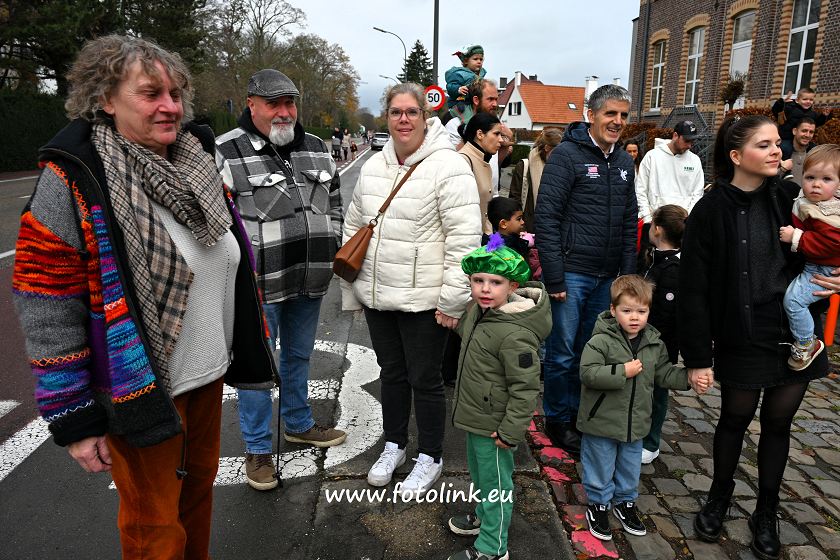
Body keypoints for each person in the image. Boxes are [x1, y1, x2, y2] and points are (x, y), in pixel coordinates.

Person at [11, 35, 277, 558]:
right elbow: (46, 304)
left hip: (207, 375)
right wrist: (74, 416)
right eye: (151, 93)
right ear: (105, 99)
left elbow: (229, 260)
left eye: (175, 93)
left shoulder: (197, 162)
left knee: (196, 502)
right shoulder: (74, 177)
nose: (170, 106)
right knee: (154, 527)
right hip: (141, 389)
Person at [681, 115, 831, 560]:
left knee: (779, 424)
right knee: (734, 418)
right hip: (742, 332)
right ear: (736, 155)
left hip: (793, 331)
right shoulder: (710, 210)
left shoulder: (791, 196)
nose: (776, 151)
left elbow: (831, 236)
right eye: (763, 145)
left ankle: (766, 511)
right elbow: (693, 288)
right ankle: (719, 496)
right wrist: (698, 356)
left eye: (776, 144)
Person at [341, 82, 482, 497]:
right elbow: (354, 227)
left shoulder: (448, 166)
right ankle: (395, 444)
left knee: (426, 379)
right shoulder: (374, 166)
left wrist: (452, 302)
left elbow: (464, 240)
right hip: (380, 297)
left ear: (425, 116)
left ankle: (431, 456)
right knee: (392, 374)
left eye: (411, 112)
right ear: (386, 117)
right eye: (396, 112)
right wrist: (354, 291)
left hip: (425, 300)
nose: (403, 119)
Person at [216, 69, 347, 492]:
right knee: (257, 366)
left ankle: (299, 423)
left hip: (310, 278)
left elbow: (336, 204)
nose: (284, 112)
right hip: (259, 286)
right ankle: (257, 449)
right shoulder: (225, 151)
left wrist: (332, 242)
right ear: (251, 104)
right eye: (274, 103)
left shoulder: (318, 148)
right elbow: (217, 222)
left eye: (289, 103)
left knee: (299, 356)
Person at [534, 84, 638, 454]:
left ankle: (580, 415)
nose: (618, 121)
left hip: (607, 276)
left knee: (589, 352)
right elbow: (546, 218)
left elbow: (629, 221)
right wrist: (555, 276)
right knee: (561, 354)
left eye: (623, 115)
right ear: (591, 115)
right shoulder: (566, 156)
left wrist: (627, 277)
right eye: (611, 113)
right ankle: (558, 418)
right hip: (572, 273)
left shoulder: (624, 161)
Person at [578, 275, 708, 541]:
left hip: (636, 423)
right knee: (600, 464)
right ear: (613, 310)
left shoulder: (654, 343)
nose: (635, 317)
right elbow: (588, 373)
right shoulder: (600, 341)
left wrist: (689, 378)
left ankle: (625, 501)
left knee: (629, 466)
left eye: (641, 311)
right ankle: (598, 503)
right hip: (601, 421)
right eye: (627, 311)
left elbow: (664, 374)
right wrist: (621, 371)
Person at [444, 234, 550, 560]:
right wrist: (452, 322)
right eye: (478, 281)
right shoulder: (480, 312)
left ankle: (493, 547)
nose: (485, 289)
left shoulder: (516, 333)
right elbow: (476, 338)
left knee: (496, 485)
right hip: (477, 416)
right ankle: (485, 518)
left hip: (495, 425)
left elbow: (525, 388)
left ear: (513, 286)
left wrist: (510, 430)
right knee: (482, 477)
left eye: (495, 282)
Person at [779, 144, 840, 370]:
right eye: (810, 177)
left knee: (794, 301)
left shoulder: (829, 212)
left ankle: (806, 343)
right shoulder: (811, 201)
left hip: (823, 270)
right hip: (817, 265)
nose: (816, 184)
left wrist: (796, 237)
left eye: (826, 179)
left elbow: (832, 243)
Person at [640, 204, 688, 464]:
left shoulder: (673, 269)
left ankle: (651, 441)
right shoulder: (655, 258)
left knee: (657, 393)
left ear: (657, 229)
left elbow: (666, 316)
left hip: (660, 345)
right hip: (643, 340)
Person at [635, 120, 705, 269]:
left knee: (677, 271)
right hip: (654, 225)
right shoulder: (652, 156)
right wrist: (648, 219)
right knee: (647, 269)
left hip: (680, 228)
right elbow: (640, 189)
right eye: (686, 140)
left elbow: (697, 194)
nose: (690, 145)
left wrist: (685, 221)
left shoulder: (695, 161)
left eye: (692, 141)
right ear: (675, 136)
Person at [445, 79, 513, 196]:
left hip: (492, 196)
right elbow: (453, 163)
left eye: (496, 99)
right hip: (467, 196)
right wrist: (468, 133)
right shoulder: (455, 125)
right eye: (490, 99)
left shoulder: (496, 125)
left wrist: (507, 142)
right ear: (476, 100)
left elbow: (496, 164)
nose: (495, 104)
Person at [509, 127, 564, 232]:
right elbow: (514, 200)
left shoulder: (563, 168)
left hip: (555, 229)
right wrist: (521, 229)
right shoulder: (524, 166)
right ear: (547, 148)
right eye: (557, 152)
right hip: (527, 229)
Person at [459, 111, 504, 234]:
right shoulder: (463, 161)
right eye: (496, 134)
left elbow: (485, 211)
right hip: (467, 237)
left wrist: (491, 238)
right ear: (480, 134)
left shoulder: (483, 160)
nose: (501, 140)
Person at [445, 45, 487, 118]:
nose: (479, 61)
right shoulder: (460, 73)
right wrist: (458, 89)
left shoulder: (480, 75)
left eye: (481, 59)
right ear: (466, 61)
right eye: (475, 59)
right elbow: (450, 86)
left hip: (473, 103)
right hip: (460, 103)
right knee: (468, 119)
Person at [780, 117, 817, 185]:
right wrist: (782, 169)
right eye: (804, 131)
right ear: (794, 131)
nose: (807, 135)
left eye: (811, 132)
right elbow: (768, 179)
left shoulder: (814, 153)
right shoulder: (781, 151)